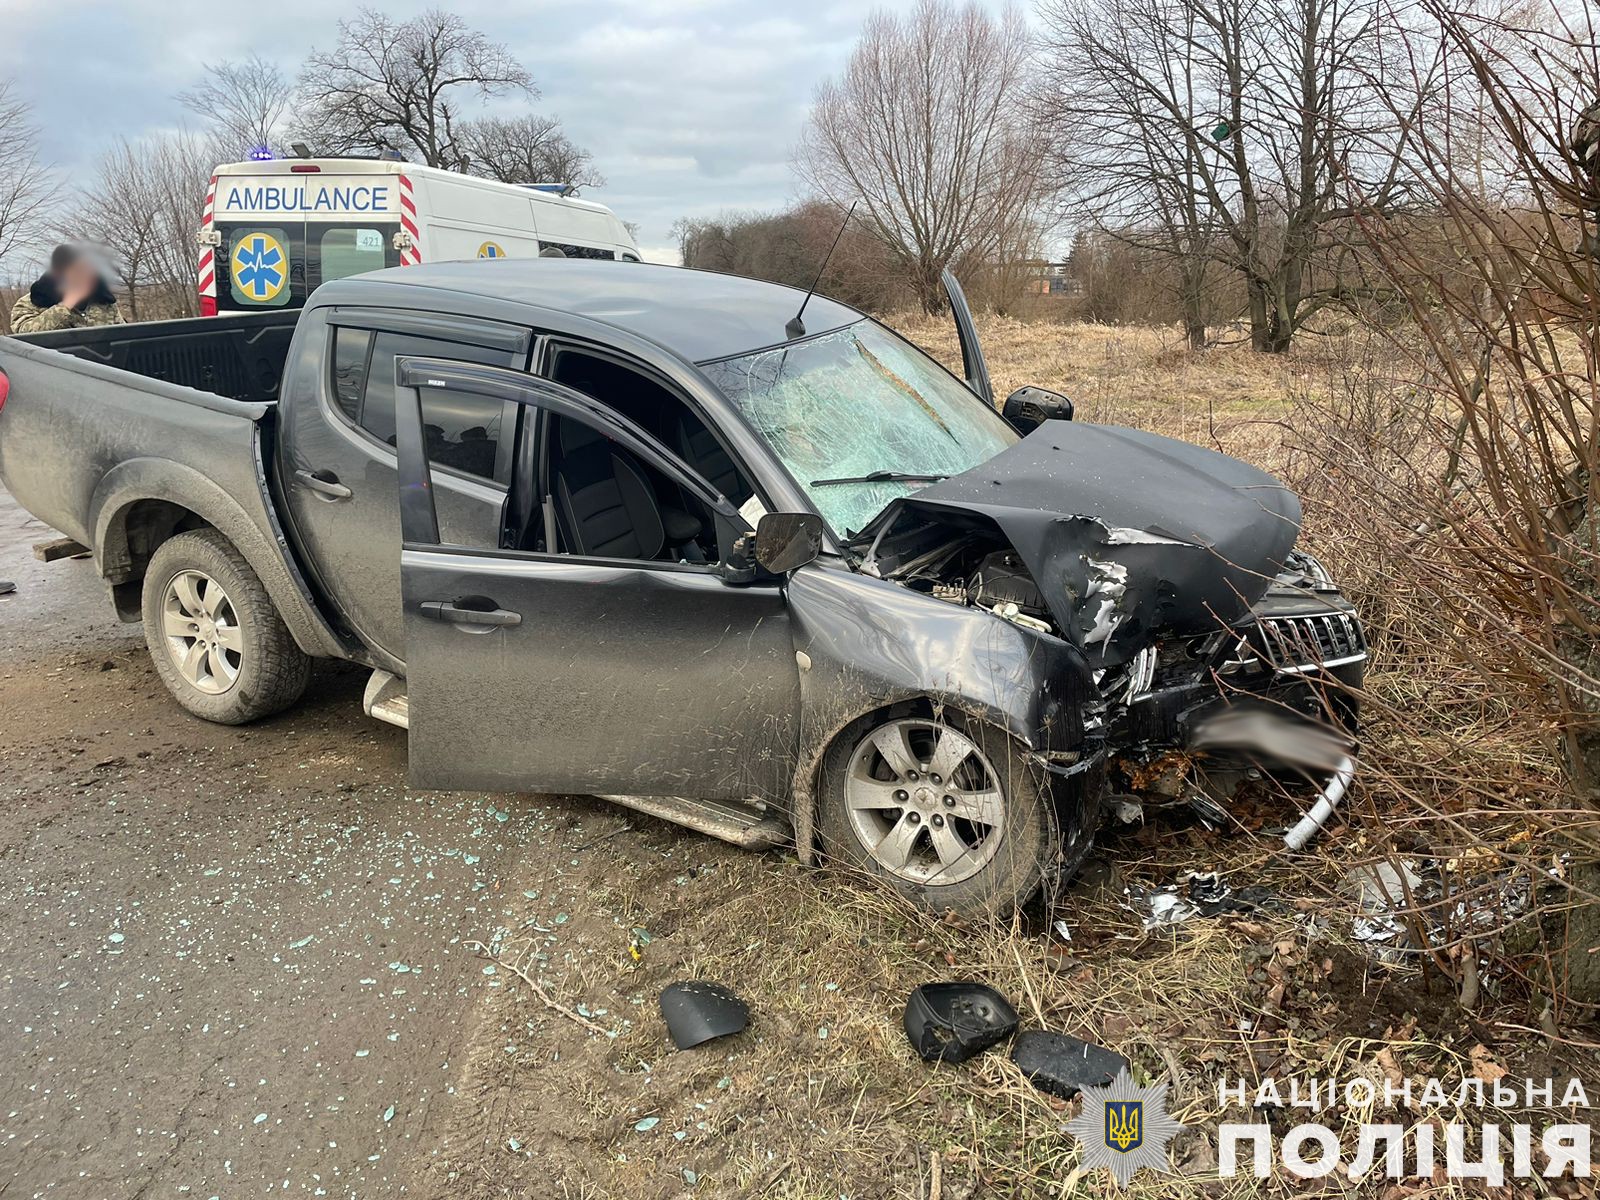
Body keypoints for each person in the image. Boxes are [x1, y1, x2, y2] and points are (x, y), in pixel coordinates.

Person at [10, 244, 124, 334]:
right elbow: (23, 335)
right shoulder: (32, 301)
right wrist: (65, 307)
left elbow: (123, 335)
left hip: (98, 363)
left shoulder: (104, 301)